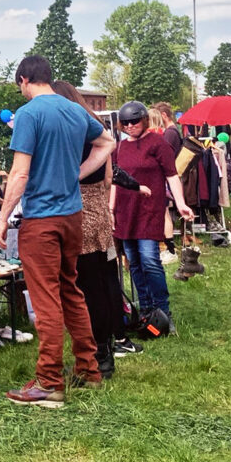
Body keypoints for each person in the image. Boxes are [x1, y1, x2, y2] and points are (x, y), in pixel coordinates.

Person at [0, 55, 115, 408]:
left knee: (46, 298)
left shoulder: (29, 114)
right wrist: (77, 173)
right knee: (70, 290)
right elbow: (107, 143)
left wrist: (2, 219)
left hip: (42, 220)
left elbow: (18, 175)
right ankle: (88, 369)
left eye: (19, 84)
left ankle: (49, 381)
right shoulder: (75, 111)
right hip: (72, 216)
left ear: (24, 79)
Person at [52, 80, 138, 378]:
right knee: (104, 283)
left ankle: (96, 356)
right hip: (100, 213)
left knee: (85, 289)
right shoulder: (95, 127)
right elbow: (109, 176)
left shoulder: (70, 130)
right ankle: (105, 351)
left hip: (79, 211)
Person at [111, 101, 195, 337]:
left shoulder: (158, 143)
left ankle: (163, 313)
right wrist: (110, 210)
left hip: (149, 209)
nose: (129, 127)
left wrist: (180, 203)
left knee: (149, 260)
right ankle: (147, 312)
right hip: (125, 211)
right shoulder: (119, 148)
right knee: (134, 263)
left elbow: (172, 176)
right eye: (125, 123)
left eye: (134, 122)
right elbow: (115, 180)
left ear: (145, 120)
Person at [155, 102, 183, 263]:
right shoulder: (171, 132)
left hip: (166, 177)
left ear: (164, 115)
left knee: (164, 214)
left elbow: (166, 158)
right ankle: (167, 247)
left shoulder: (170, 134)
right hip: (167, 177)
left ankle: (169, 249)